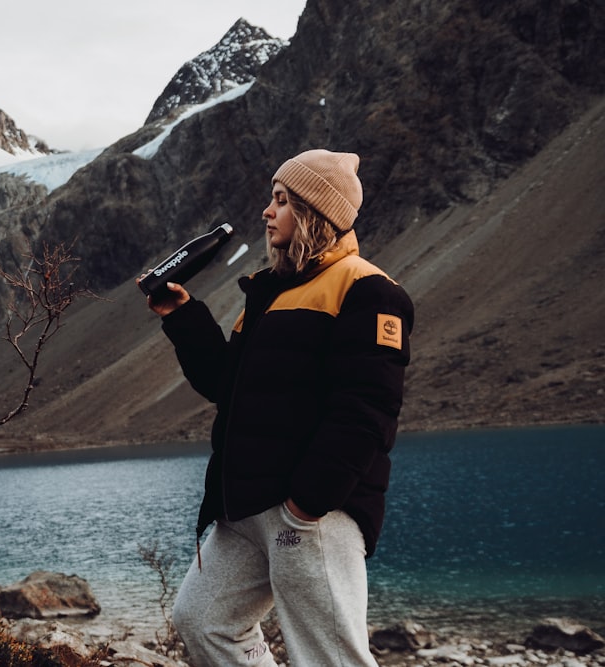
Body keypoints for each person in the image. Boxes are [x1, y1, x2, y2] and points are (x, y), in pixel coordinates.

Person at [139, 149, 413, 666]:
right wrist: (182, 316)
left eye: (282, 201)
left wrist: (307, 505)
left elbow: (367, 412)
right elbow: (227, 384)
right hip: (244, 507)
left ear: (315, 212)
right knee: (203, 622)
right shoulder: (271, 292)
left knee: (331, 656)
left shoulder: (368, 291)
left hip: (310, 512)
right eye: (271, 198)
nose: (267, 211)